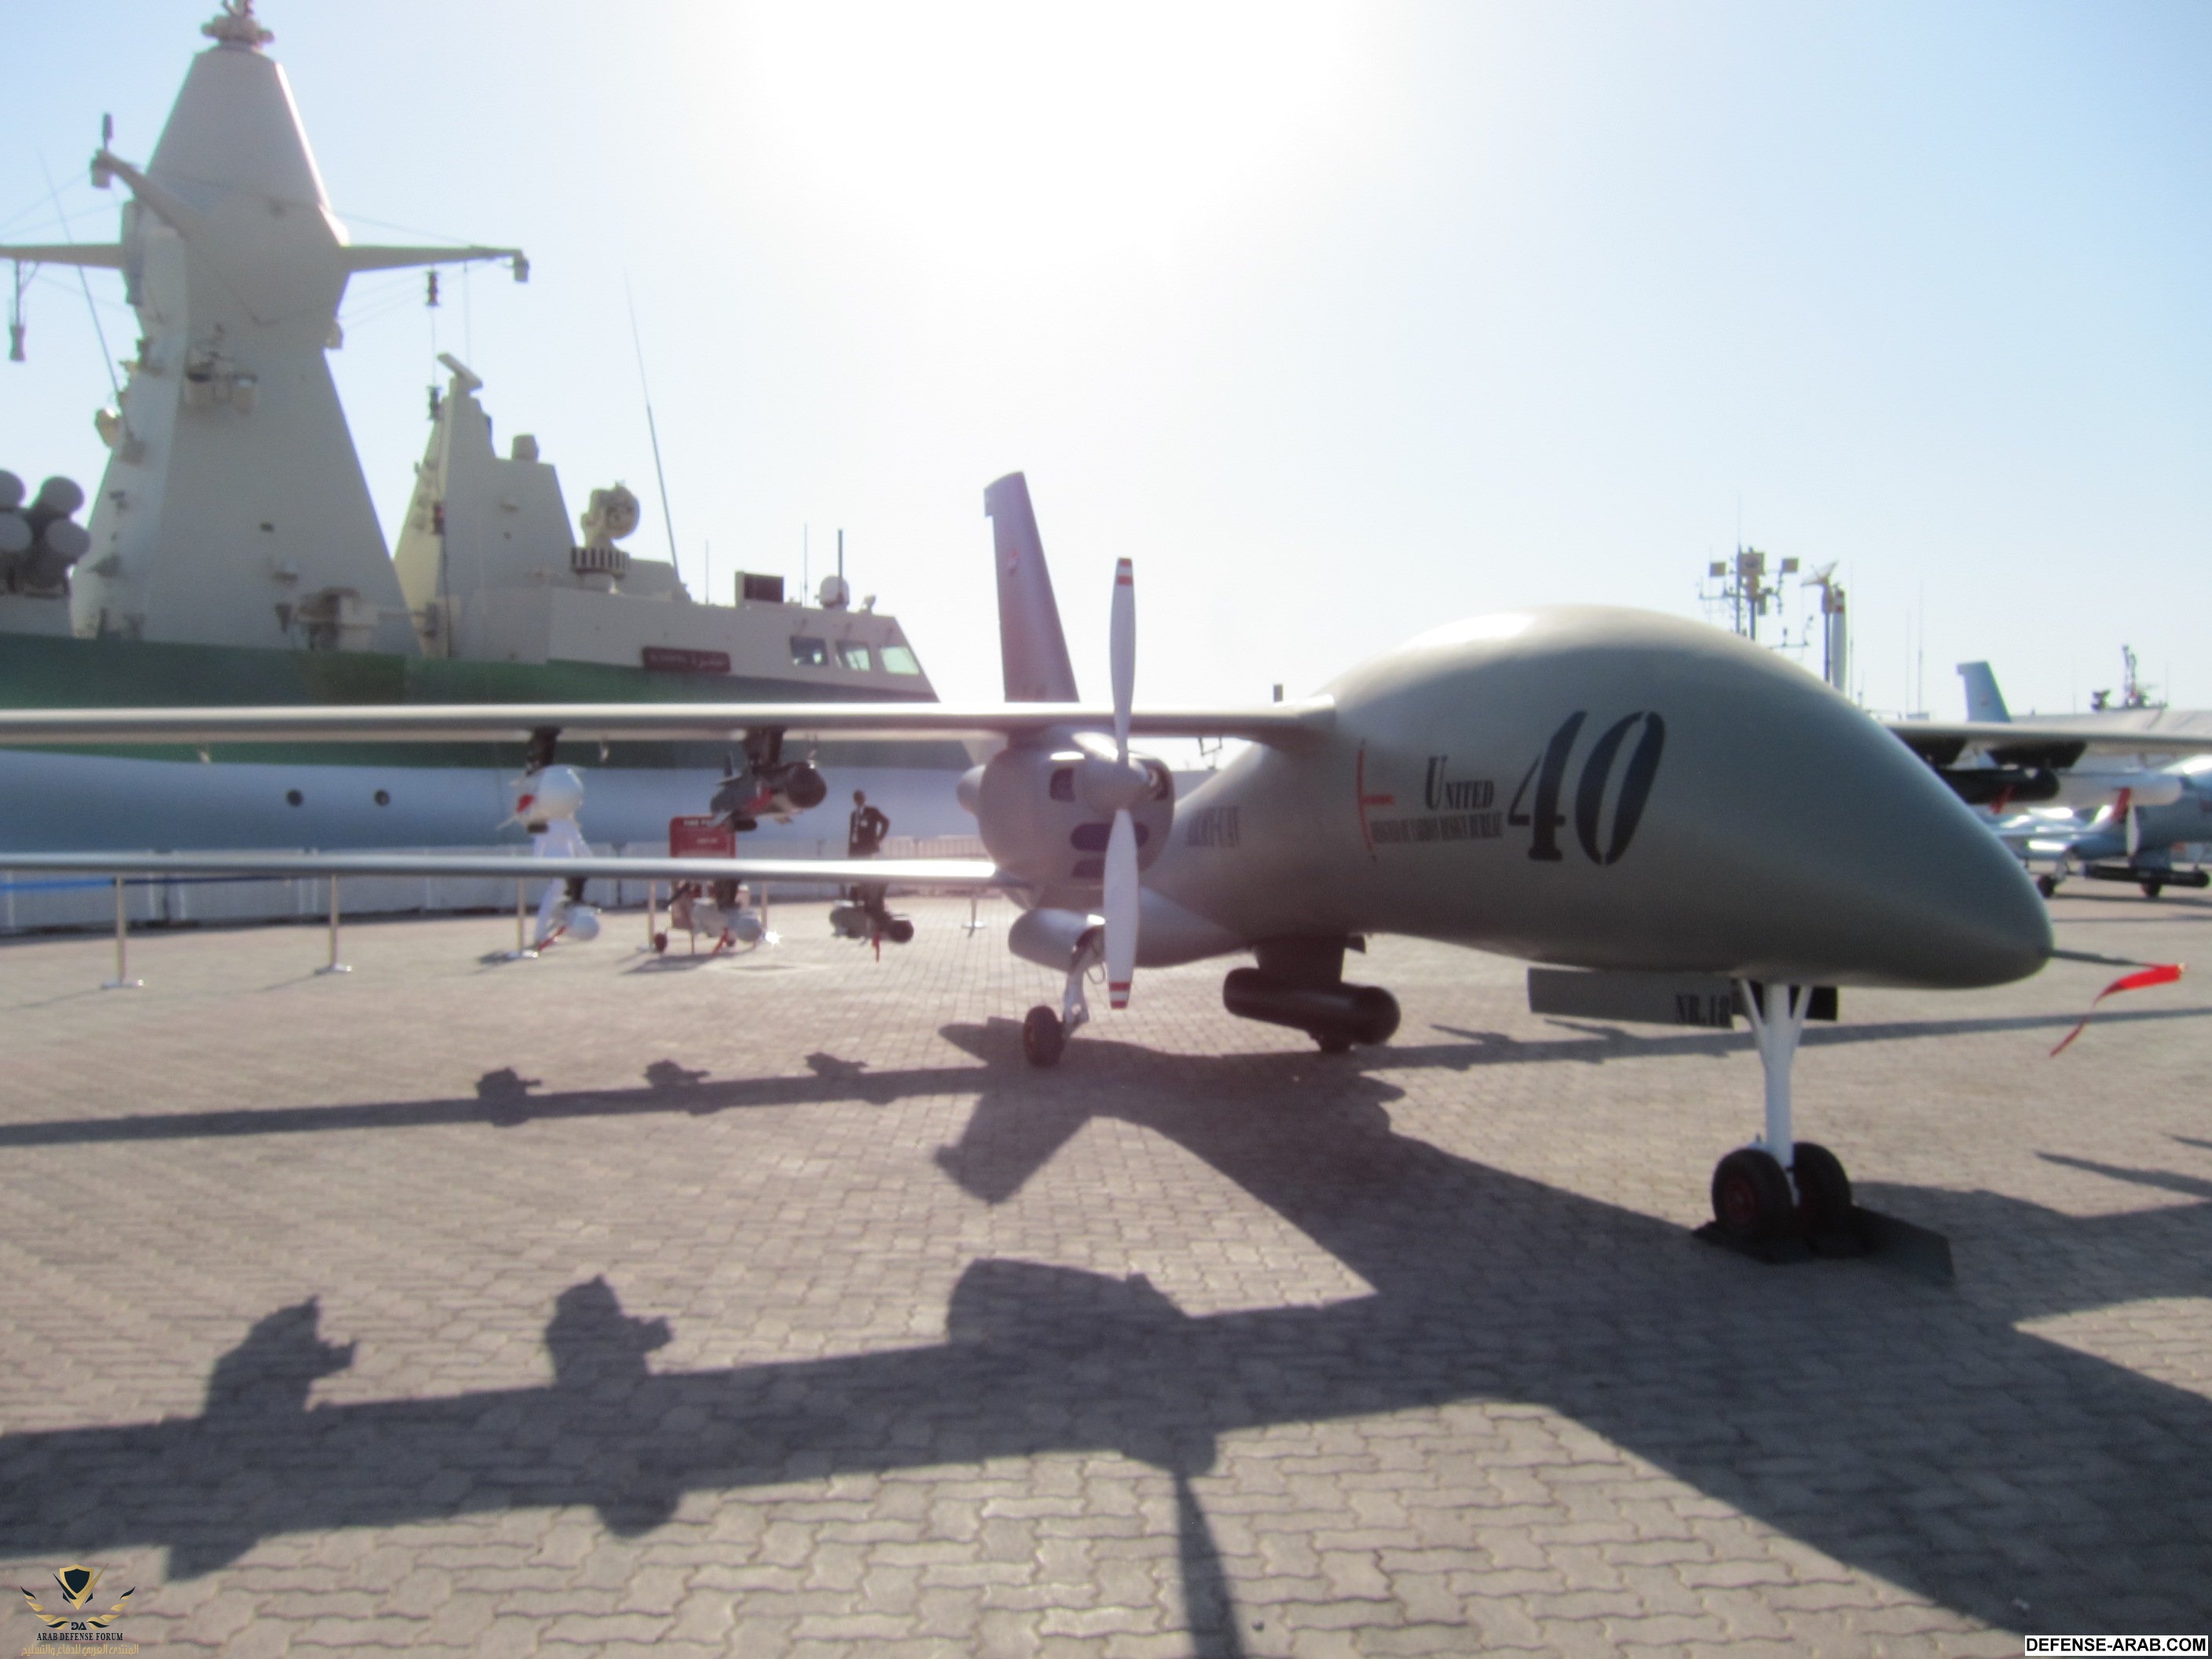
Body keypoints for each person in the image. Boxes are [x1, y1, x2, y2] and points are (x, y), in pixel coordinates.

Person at [847, 790, 889, 859]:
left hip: (869, 847)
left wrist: (880, 838)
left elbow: (886, 822)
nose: (859, 800)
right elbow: (853, 832)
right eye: (857, 798)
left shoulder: (872, 811)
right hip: (856, 849)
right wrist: (851, 850)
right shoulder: (854, 814)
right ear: (855, 801)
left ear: (864, 799)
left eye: (861, 798)